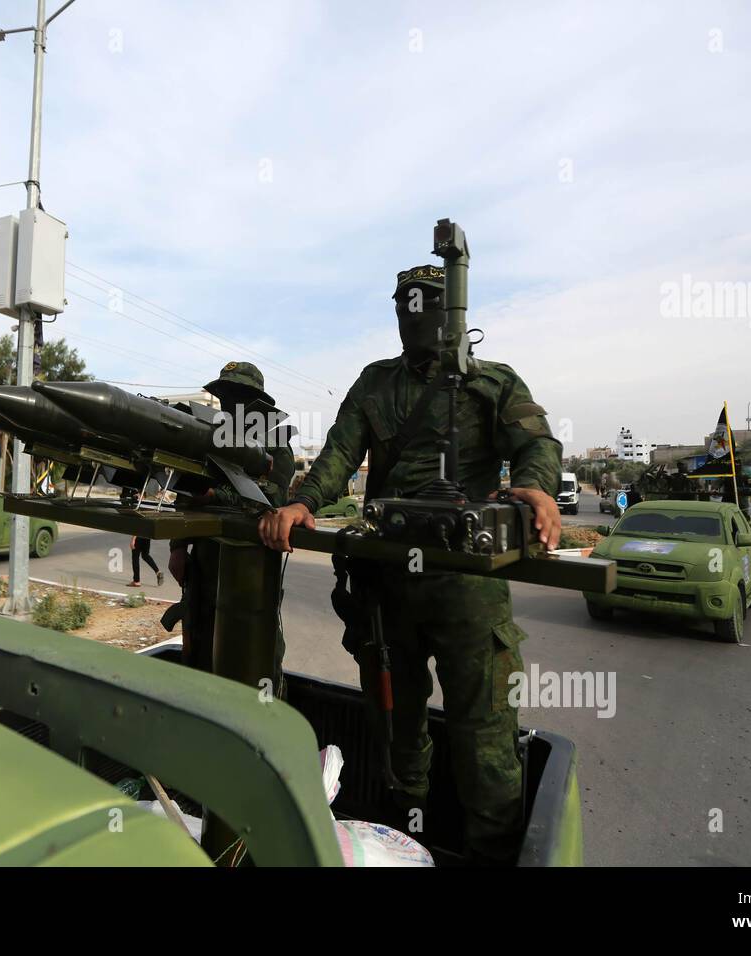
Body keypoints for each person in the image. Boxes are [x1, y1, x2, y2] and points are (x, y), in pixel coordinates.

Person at [257, 263, 563, 865]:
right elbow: (338, 454)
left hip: (467, 589)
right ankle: (404, 842)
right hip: (387, 587)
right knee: (396, 723)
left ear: (456, 312)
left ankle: (488, 852)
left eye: (426, 303)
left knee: (486, 737)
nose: (413, 315)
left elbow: (536, 444)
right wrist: (300, 502)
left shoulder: (492, 383)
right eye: (405, 305)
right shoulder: (375, 384)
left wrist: (536, 486)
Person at [168, 361, 294, 680]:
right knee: (198, 637)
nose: (229, 402)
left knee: (256, 649)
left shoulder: (275, 438)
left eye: (237, 394)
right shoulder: (209, 432)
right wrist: (178, 547)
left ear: (257, 399)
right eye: (224, 394)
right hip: (206, 555)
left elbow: (275, 496)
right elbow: (187, 483)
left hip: (250, 559)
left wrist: (218, 496)